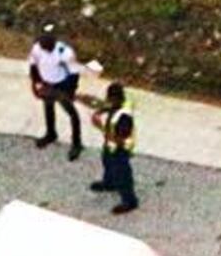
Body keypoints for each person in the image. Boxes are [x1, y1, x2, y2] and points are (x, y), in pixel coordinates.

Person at [26, 26, 84, 156]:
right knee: (48, 108)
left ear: (53, 41)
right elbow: (33, 66)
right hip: (46, 83)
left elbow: (75, 73)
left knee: (72, 113)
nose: (43, 46)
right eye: (41, 42)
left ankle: (76, 142)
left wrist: (70, 91)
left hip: (62, 85)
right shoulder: (37, 48)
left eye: (46, 43)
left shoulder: (64, 52)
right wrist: (35, 84)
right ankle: (51, 133)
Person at [88, 80, 138, 214]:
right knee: (107, 161)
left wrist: (100, 127)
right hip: (110, 145)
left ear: (117, 99)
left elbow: (120, 140)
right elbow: (110, 107)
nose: (108, 101)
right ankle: (109, 182)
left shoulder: (124, 118)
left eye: (111, 99)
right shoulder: (121, 103)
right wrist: (101, 110)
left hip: (120, 148)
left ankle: (129, 201)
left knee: (122, 172)